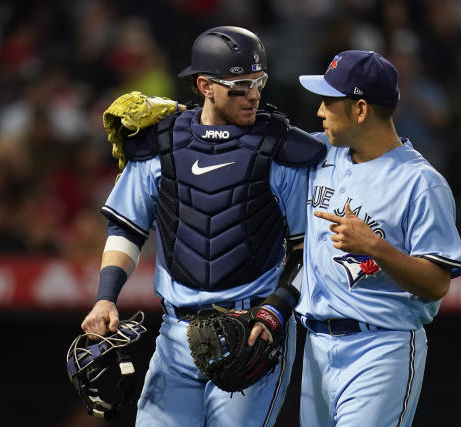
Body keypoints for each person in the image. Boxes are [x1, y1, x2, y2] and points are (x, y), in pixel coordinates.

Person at [79, 26, 325, 427]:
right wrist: (106, 297)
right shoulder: (161, 144)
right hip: (176, 332)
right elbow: (126, 230)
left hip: (252, 329)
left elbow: (305, 251)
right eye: (240, 86)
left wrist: (276, 312)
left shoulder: (280, 150)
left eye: (258, 83)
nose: (254, 95)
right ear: (205, 85)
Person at [295, 50, 461, 426]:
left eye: (329, 101)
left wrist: (375, 246)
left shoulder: (421, 183)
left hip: (379, 348)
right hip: (315, 348)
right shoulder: (321, 151)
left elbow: (437, 283)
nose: (320, 111)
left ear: (360, 110)